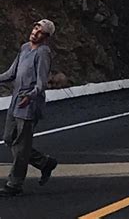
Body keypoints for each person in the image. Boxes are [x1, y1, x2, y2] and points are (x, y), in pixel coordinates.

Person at [0, 19, 58, 197]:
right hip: (16, 99)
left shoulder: (43, 53)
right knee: (10, 138)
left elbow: (41, 84)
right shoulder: (25, 48)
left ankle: (15, 184)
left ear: (46, 37)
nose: (35, 32)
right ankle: (44, 163)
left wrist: (30, 96)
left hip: (29, 103)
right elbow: (12, 73)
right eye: (35, 28)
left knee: (22, 144)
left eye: (40, 31)